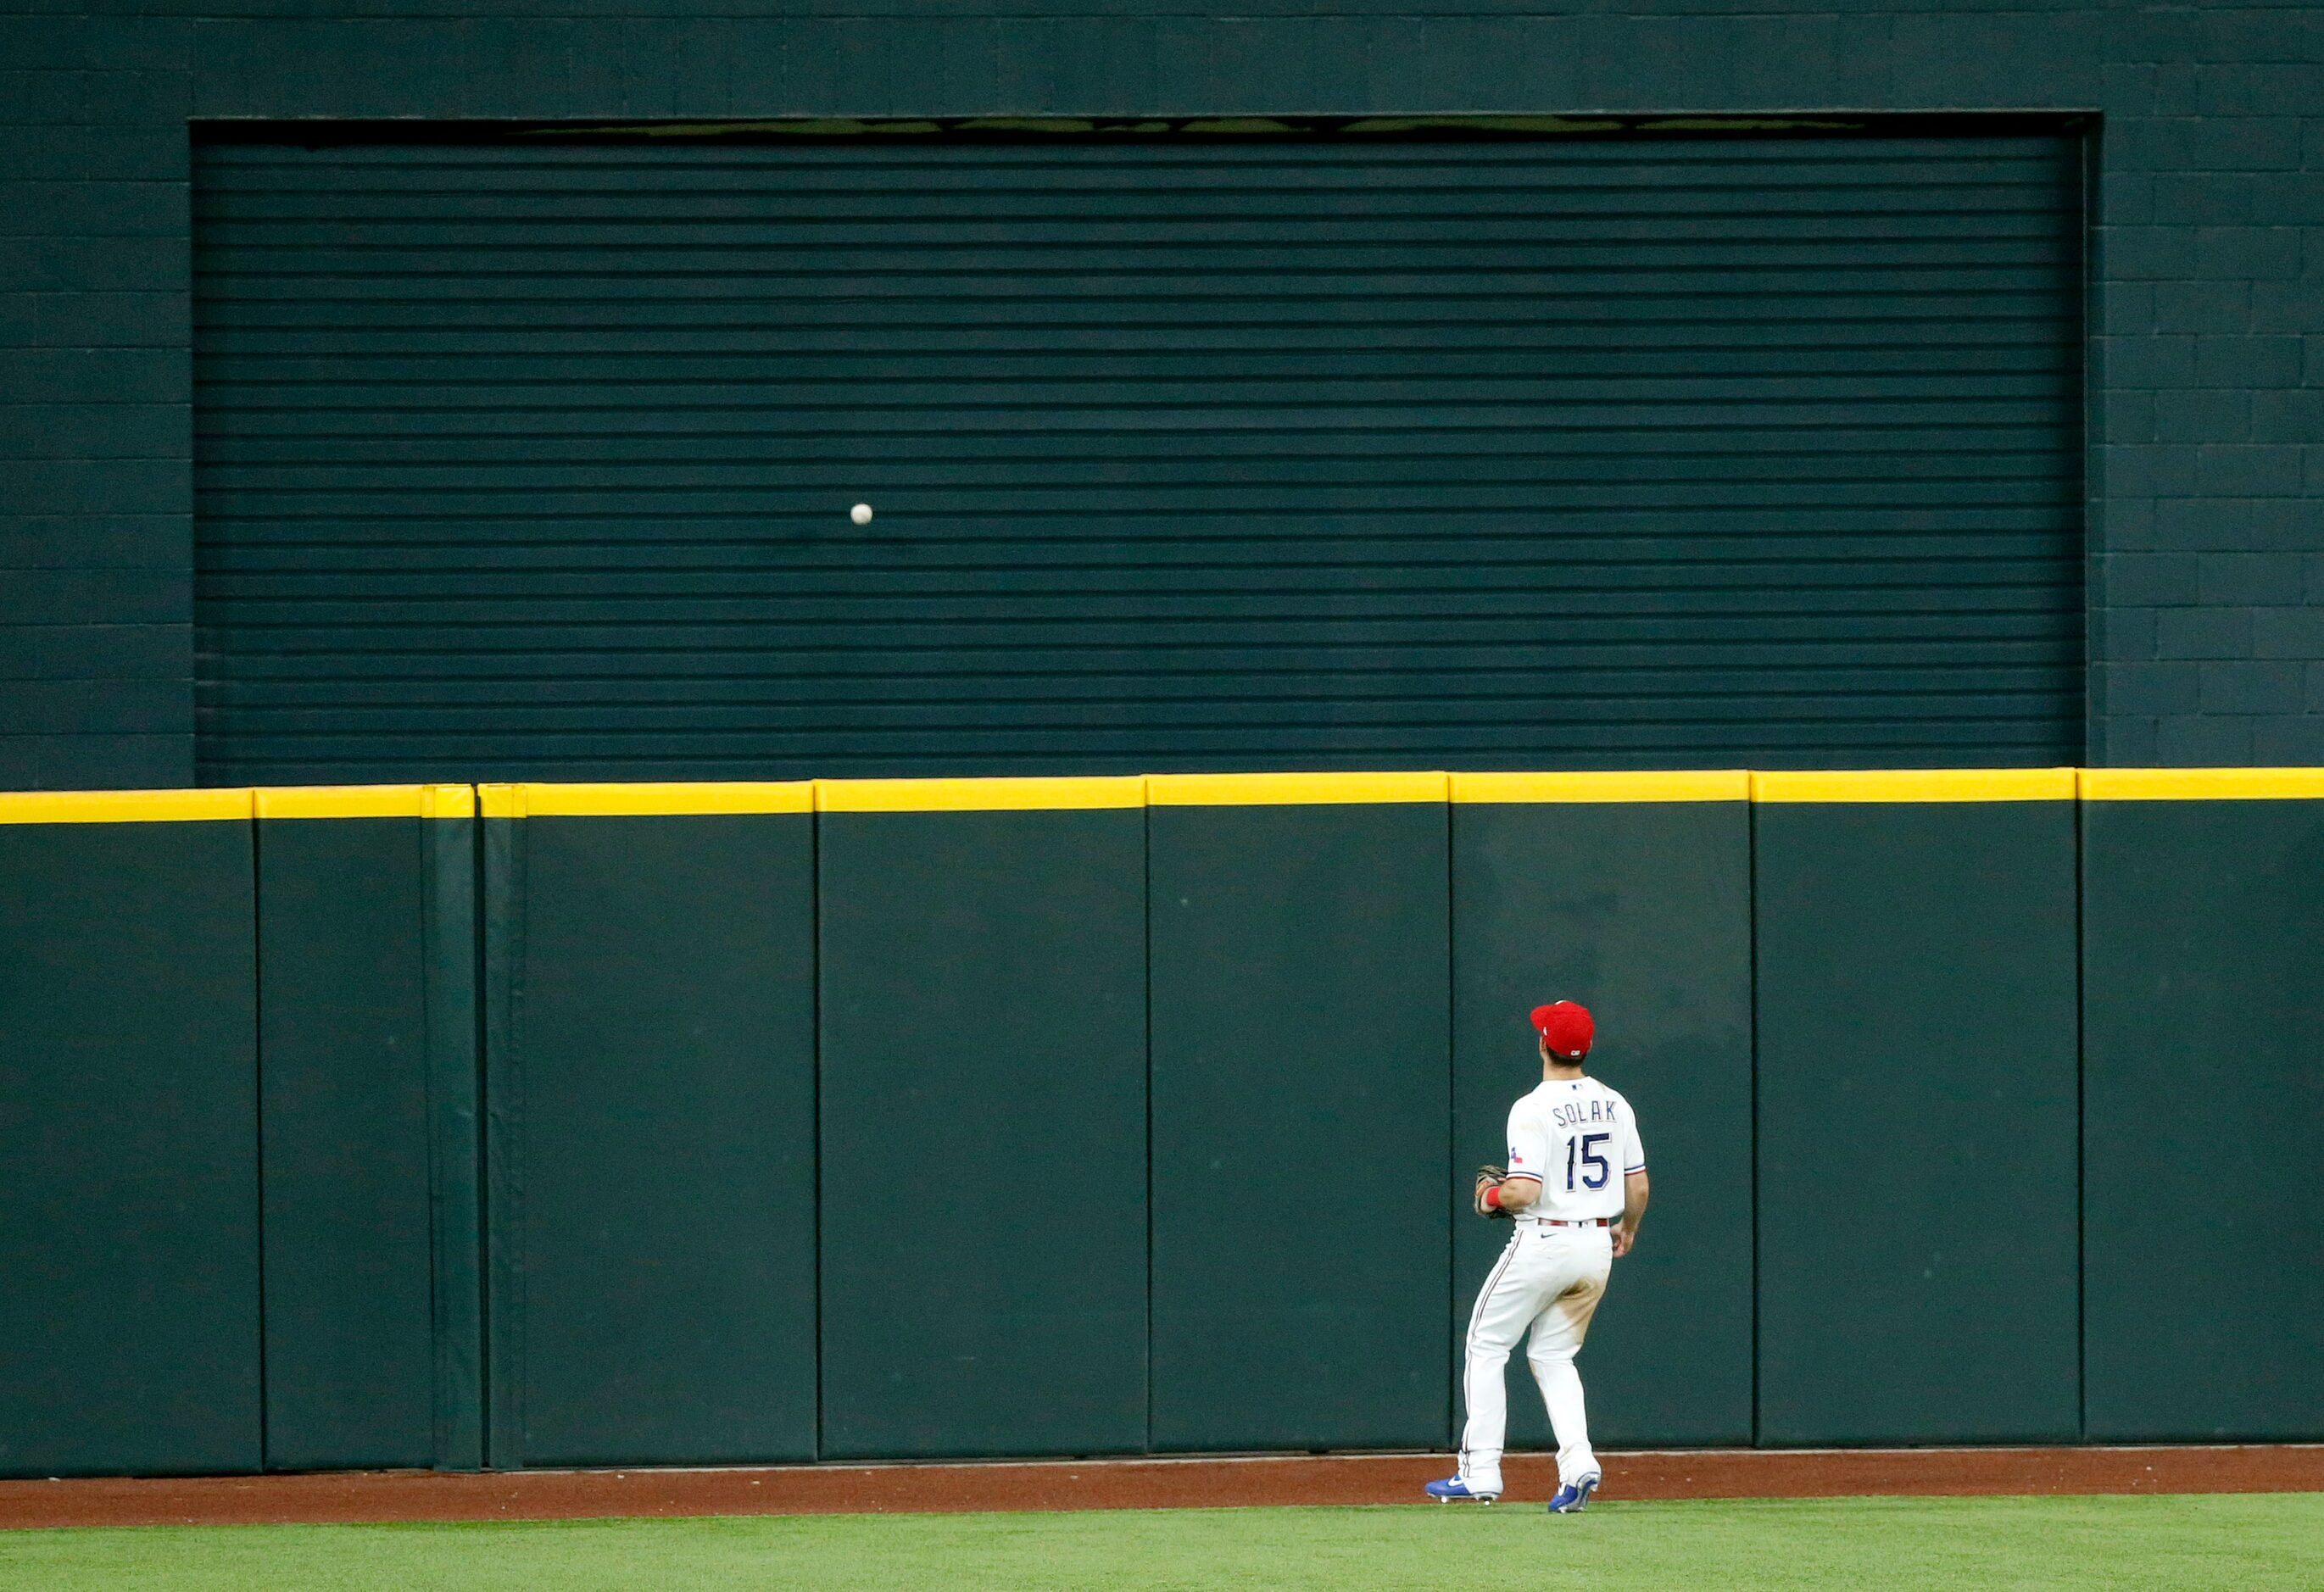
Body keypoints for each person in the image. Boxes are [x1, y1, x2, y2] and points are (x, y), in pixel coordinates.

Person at [1426, 999, 1648, 1513]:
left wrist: (1490, 1196)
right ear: (1586, 1048)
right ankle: (1578, 1464)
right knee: (1553, 1355)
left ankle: (1479, 1469)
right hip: (1595, 1243)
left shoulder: (1531, 1107)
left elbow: (1523, 1191)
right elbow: (1637, 1183)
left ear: (1543, 1044)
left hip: (1545, 1240)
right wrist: (1627, 1230)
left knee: (1486, 1343)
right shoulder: (1616, 1103)